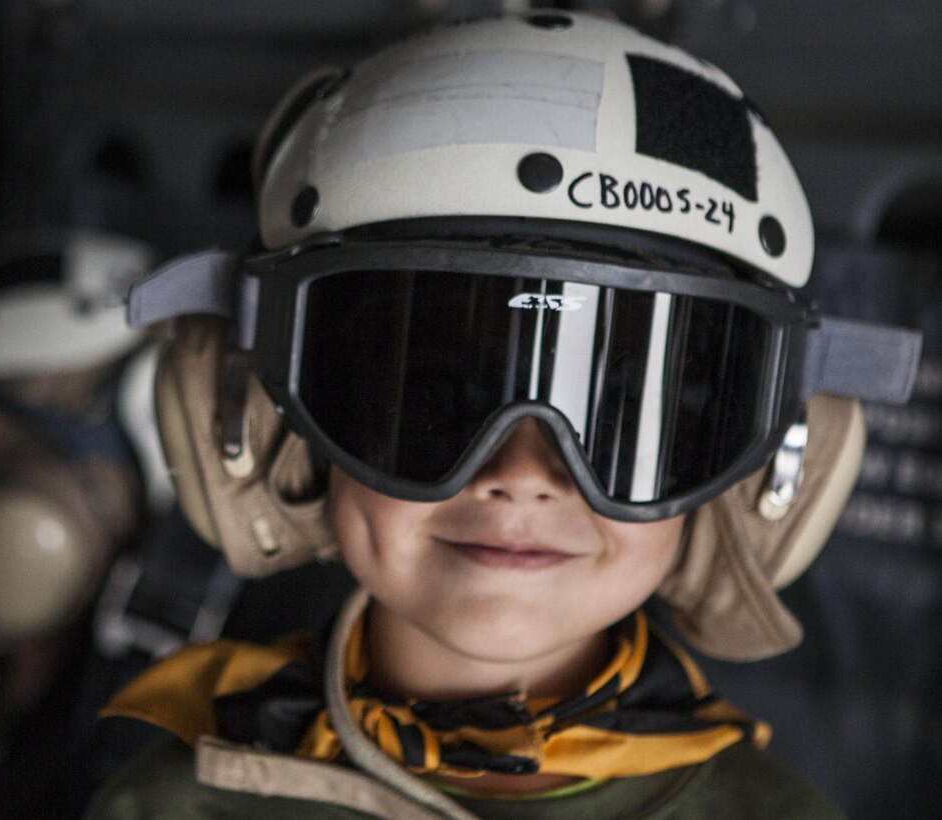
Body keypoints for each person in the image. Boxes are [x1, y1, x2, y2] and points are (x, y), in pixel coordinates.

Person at [86, 11, 920, 819]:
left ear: (766, 481)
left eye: (616, 415)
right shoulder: (168, 802)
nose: (521, 476)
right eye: (434, 402)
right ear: (257, 423)